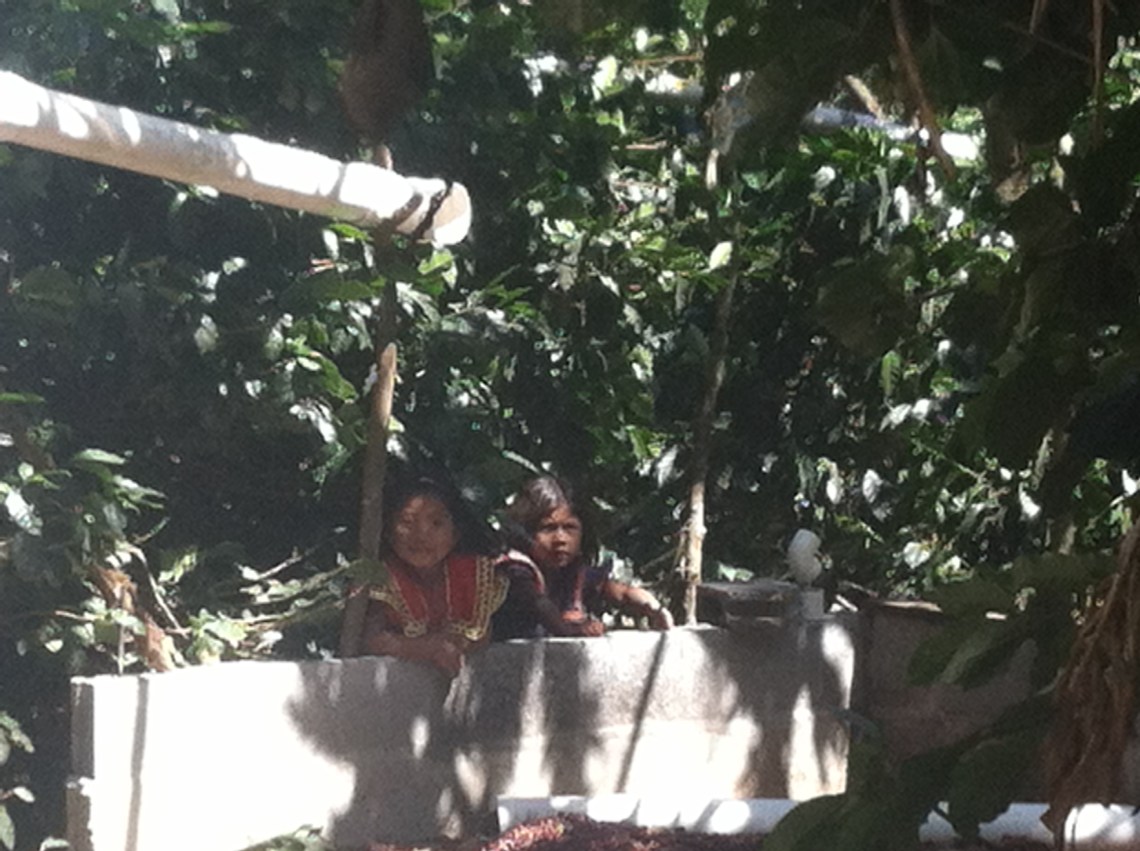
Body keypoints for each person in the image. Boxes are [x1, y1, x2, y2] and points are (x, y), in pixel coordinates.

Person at [343, 477, 508, 676]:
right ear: (388, 532)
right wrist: (427, 648)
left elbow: (481, 636)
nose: (421, 535)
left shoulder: (471, 575)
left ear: (455, 533)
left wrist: (457, 644)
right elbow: (372, 640)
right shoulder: (382, 577)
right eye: (407, 522)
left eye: (436, 523)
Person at [492, 476, 673, 639]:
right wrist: (576, 630)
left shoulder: (573, 571)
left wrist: (653, 608)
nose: (560, 539)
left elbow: (618, 592)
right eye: (548, 528)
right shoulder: (515, 570)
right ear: (526, 532)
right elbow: (541, 607)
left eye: (570, 528)